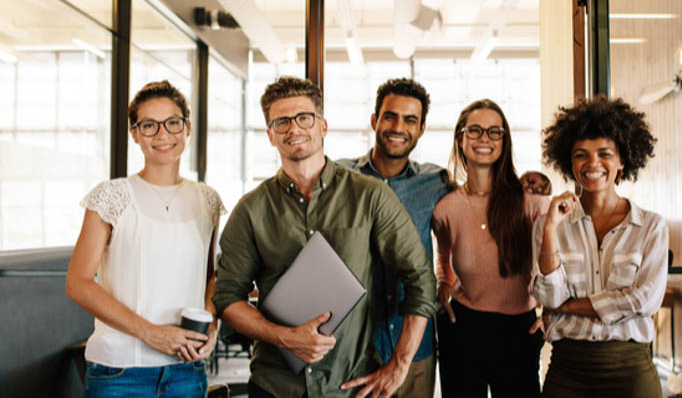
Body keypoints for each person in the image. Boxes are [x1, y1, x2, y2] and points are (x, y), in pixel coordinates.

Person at [212, 76, 437, 398]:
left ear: (323, 126)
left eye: (304, 118)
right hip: (275, 386)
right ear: (270, 134)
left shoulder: (369, 196)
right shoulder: (250, 209)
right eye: (282, 121)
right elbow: (228, 298)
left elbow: (420, 279)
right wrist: (284, 337)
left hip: (352, 385)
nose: (294, 128)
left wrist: (399, 365)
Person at [66, 80, 224, 398]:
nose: (163, 134)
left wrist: (211, 323)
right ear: (135, 133)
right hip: (120, 372)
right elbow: (78, 283)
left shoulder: (208, 199)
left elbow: (210, 277)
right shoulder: (112, 195)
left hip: (185, 371)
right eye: (149, 125)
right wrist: (150, 334)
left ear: (187, 128)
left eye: (172, 123)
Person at [531, 96, 668, 398]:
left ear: (623, 161)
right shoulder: (548, 225)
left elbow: (644, 301)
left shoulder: (650, 227)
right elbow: (548, 295)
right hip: (567, 371)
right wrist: (552, 228)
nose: (593, 164)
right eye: (582, 155)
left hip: (630, 371)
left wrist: (566, 307)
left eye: (605, 153)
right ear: (570, 162)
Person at [336, 78, 450, 398]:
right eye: (390, 116)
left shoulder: (437, 182)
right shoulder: (341, 178)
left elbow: (467, 222)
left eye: (410, 119)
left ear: (422, 128)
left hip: (414, 349)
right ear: (374, 120)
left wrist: (448, 279)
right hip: (355, 348)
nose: (398, 126)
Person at [432, 99, 548, 398]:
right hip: (462, 327)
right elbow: (443, 253)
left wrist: (553, 311)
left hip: (518, 331)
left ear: (504, 141)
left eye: (494, 132)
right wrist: (444, 286)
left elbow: (557, 262)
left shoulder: (531, 202)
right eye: (475, 130)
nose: (484, 138)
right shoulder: (446, 208)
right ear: (461, 138)